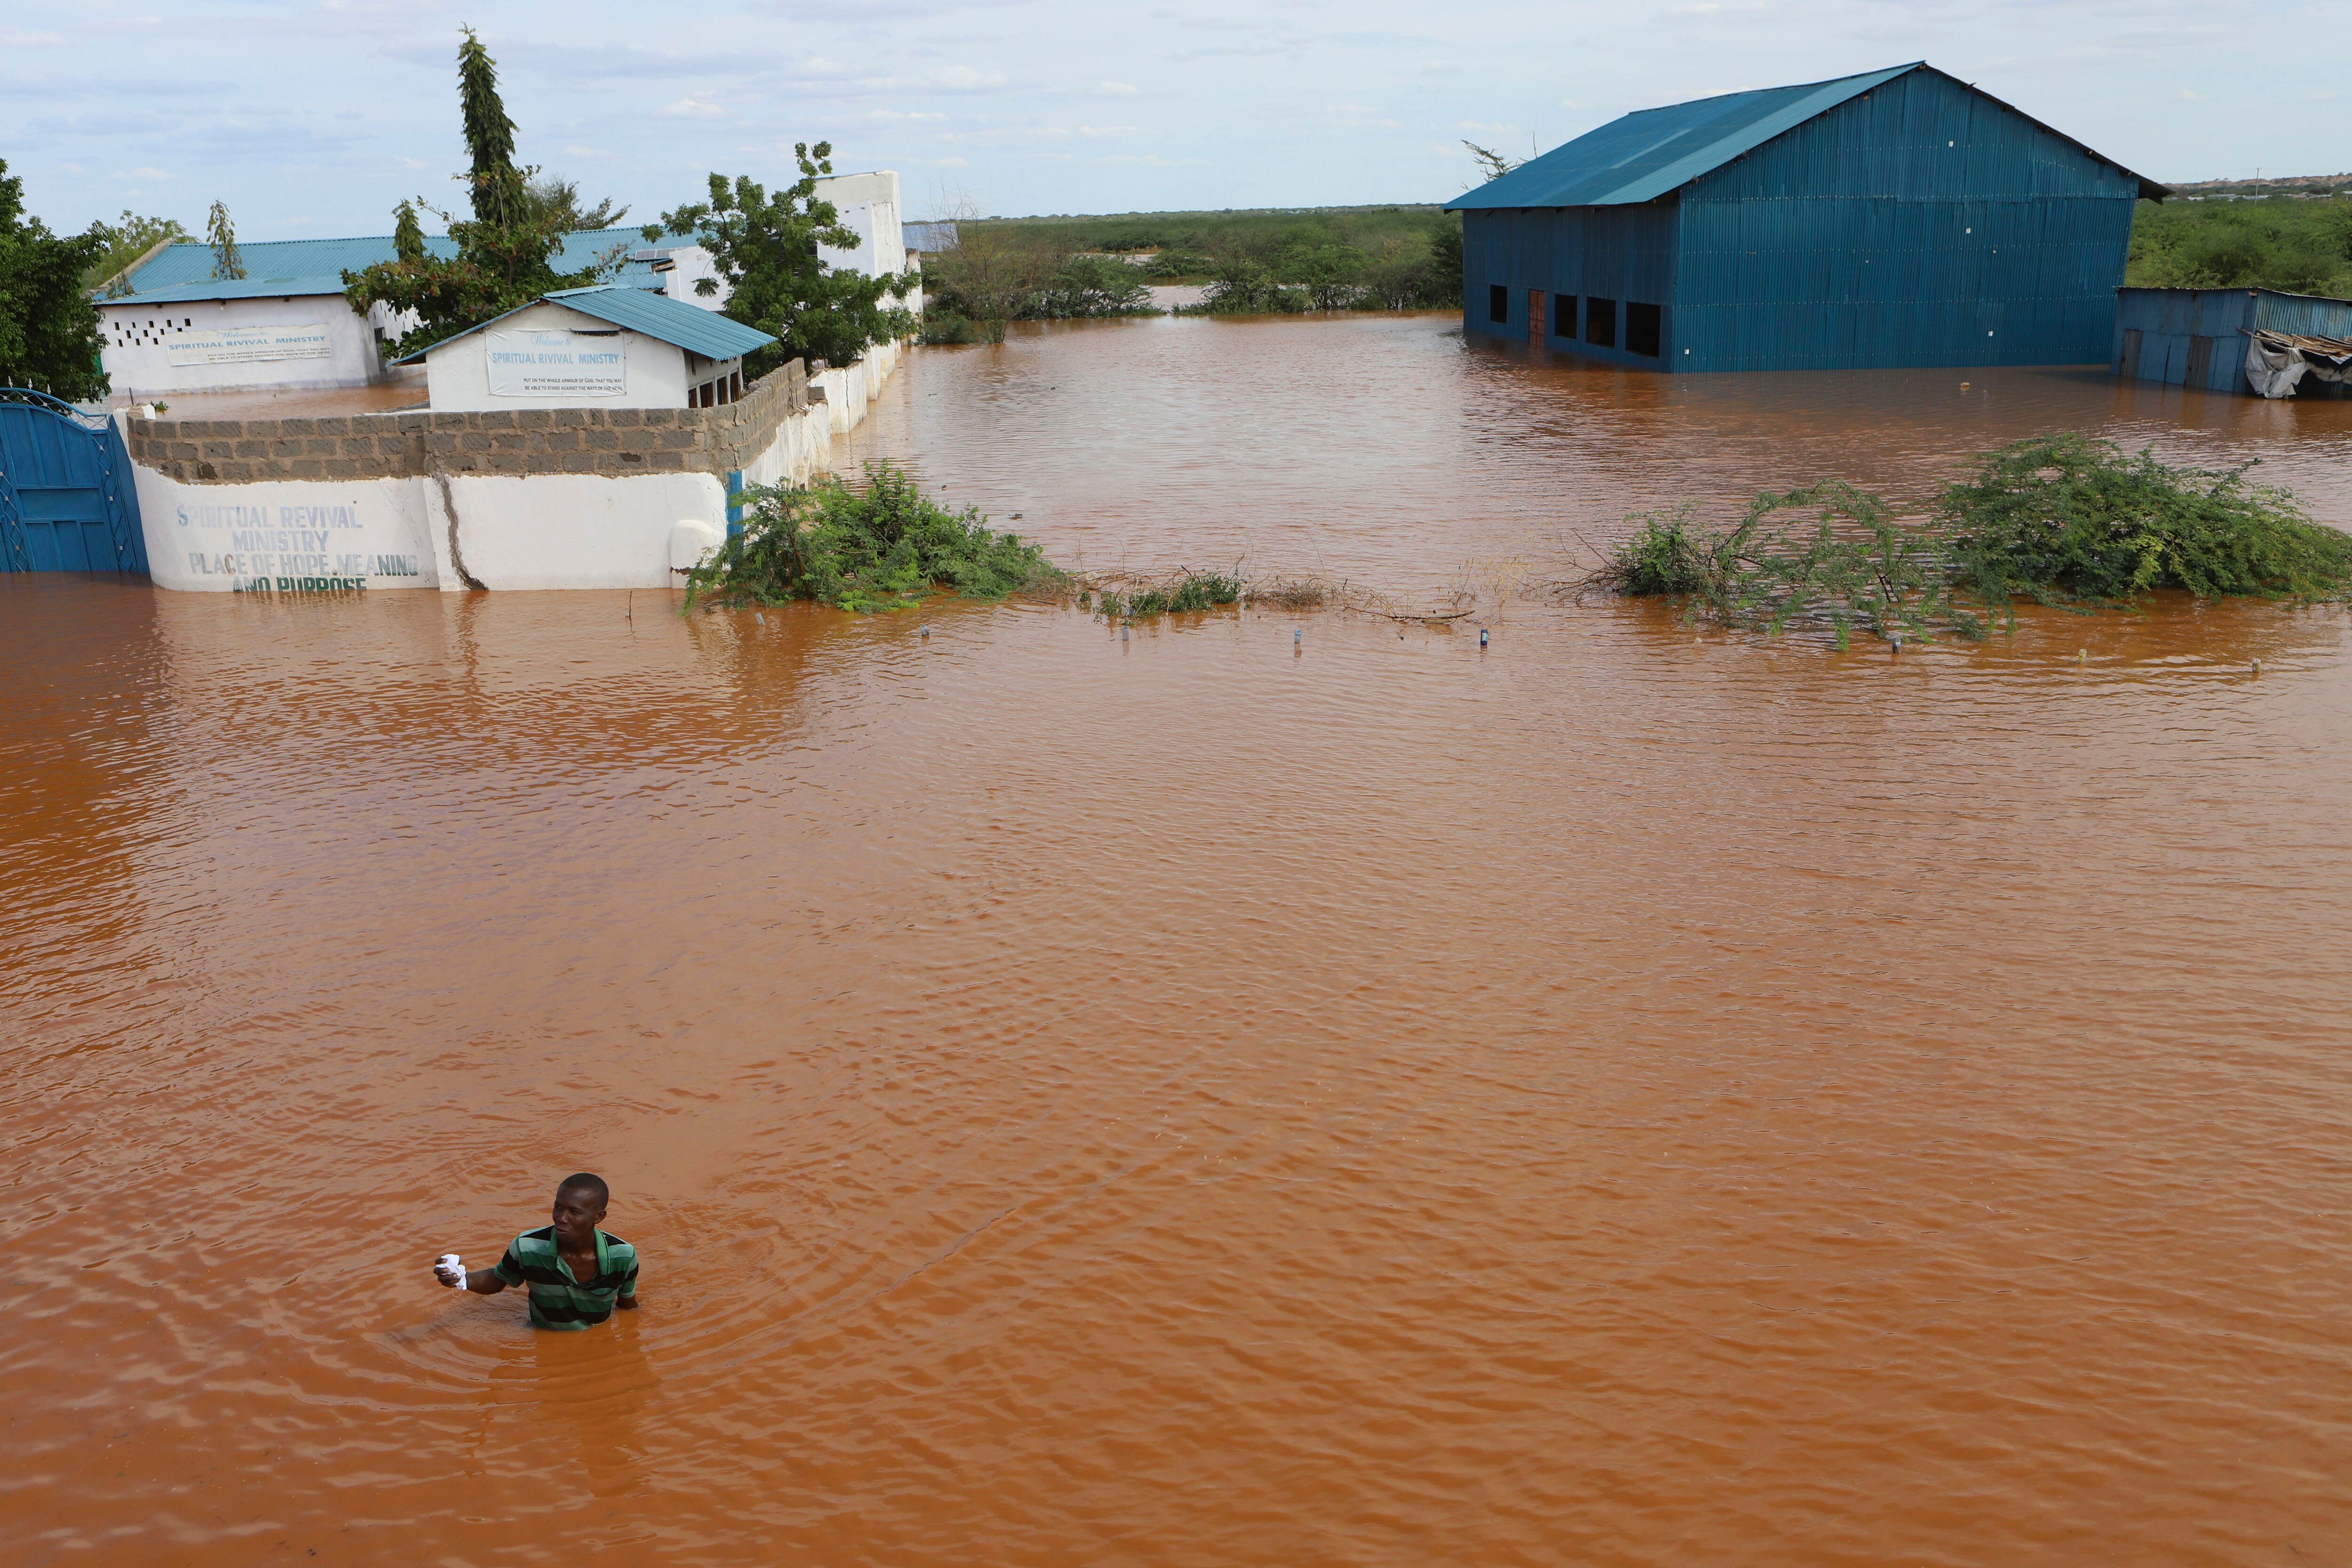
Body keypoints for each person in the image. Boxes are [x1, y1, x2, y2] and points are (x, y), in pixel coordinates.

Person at [435, 1173, 640, 1330]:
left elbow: (628, 1306)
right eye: (558, 1208)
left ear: (599, 1217)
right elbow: (498, 1280)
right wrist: (462, 1279)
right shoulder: (527, 1248)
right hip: (544, 1335)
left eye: (574, 1212)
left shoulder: (622, 1256)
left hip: (596, 1345)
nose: (562, 1218)